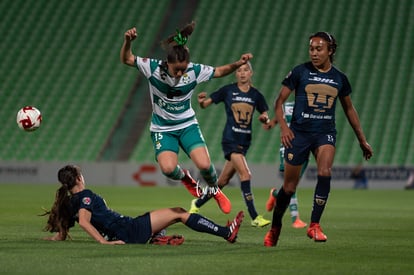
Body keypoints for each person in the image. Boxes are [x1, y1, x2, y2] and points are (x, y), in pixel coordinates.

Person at [120, 21, 253, 213]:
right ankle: (187, 179)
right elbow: (127, 59)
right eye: (177, 69)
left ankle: (215, 191)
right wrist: (127, 41)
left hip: (187, 125)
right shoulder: (153, 68)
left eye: (184, 68)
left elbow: (219, 71)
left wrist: (237, 64)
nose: (181, 73)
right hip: (163, 129)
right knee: (168, 169)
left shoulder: (194, 71)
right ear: (168, 64)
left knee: (206, 166)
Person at [264, 32, 373, 247]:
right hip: (299, 134)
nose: (314, 53)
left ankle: (314, 224)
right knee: (289, 188)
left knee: (324, 172)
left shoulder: (340, 78)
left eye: (319, 49)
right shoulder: (299, 72)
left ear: (330, 51)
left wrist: (362, 140)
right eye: (311, 49)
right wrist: (284, 128)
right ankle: (275, 226)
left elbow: (349, 109)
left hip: (325, 133)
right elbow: (279, 101)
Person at [41, 165, 245, 245]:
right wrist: (104, 243)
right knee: (179, 213)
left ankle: (158, 239)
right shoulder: (84, 196)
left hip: (125, 230)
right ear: (78, 178)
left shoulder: (69, 202)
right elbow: (85, 222)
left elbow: (64, 229)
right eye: (81, 173)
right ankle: (226, 233)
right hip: (128, 230)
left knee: (164, 219)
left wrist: (55, 237)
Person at [189, 62, 271, 227]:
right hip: (230, 140)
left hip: (244, 141)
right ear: (236, 74)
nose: (242, 73)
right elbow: (205, 105)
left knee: (222, 181)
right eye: (239, 70)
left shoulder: (256, 95)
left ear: (251, 73)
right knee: (245, 175)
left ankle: (196, 204)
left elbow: (265, 114)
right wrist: (201, 102)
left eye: (245, 70)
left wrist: (265, 119)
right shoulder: (228, 90)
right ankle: (255, 217)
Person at [264, 102, 307, 229]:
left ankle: (276, 194)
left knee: (292, 186)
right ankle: (295, 218)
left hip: (304, 148)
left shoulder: (309, 106)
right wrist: (271, 123)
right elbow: (278, 118)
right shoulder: (286, 106)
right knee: (291, 185)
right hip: (288, 147)